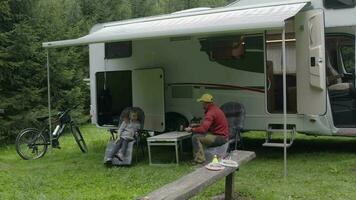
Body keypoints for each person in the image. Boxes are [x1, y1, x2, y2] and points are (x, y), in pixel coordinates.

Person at [184, 93, 229, 164]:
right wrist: (197, 125)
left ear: (205, 103)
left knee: (195, 137)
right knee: (201, 135)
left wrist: (191, 129)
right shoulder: (215, 109)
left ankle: (199, 160)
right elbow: (208, 125)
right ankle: (202, 156)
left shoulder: (210, 113)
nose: (202, 105)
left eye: (202, 103)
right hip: (222, 136)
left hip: (220, 138)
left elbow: (203, 129)